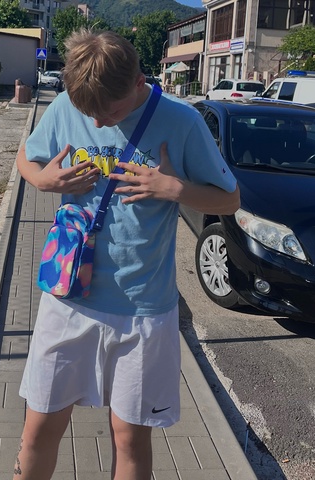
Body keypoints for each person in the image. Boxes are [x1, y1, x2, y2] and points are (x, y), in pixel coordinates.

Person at [13, 28, 240, 480]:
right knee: (37, 430)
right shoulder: (66, 105)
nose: (98, 123)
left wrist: (174, 188)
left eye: (110, 112)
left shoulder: (181, 122)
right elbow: (27, 156)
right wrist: (41, 180)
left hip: (143, 312)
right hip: (67, 300)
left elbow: (230, 199)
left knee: (129, 440)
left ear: (139, 82)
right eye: (89, 113)